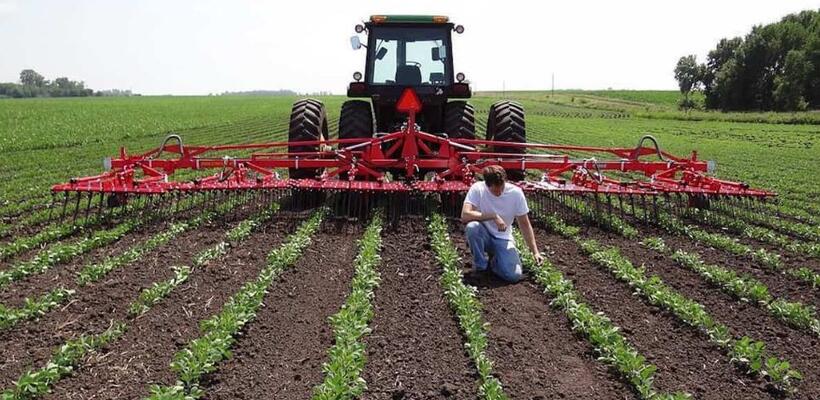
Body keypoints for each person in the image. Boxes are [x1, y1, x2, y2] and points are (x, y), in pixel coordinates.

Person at [460, 165, 543, 282]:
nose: (499, 192)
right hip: (483, 235)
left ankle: (494, 262)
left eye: (501, 188)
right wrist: (493, 216)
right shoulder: (478, 189)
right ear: (487, 185)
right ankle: (481, 267)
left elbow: (524, 224)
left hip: (503, 238)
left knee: (513, 276)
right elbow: (465, 215)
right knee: (472, 227)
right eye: (494, 190)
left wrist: (535, 252)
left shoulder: (516, 193)